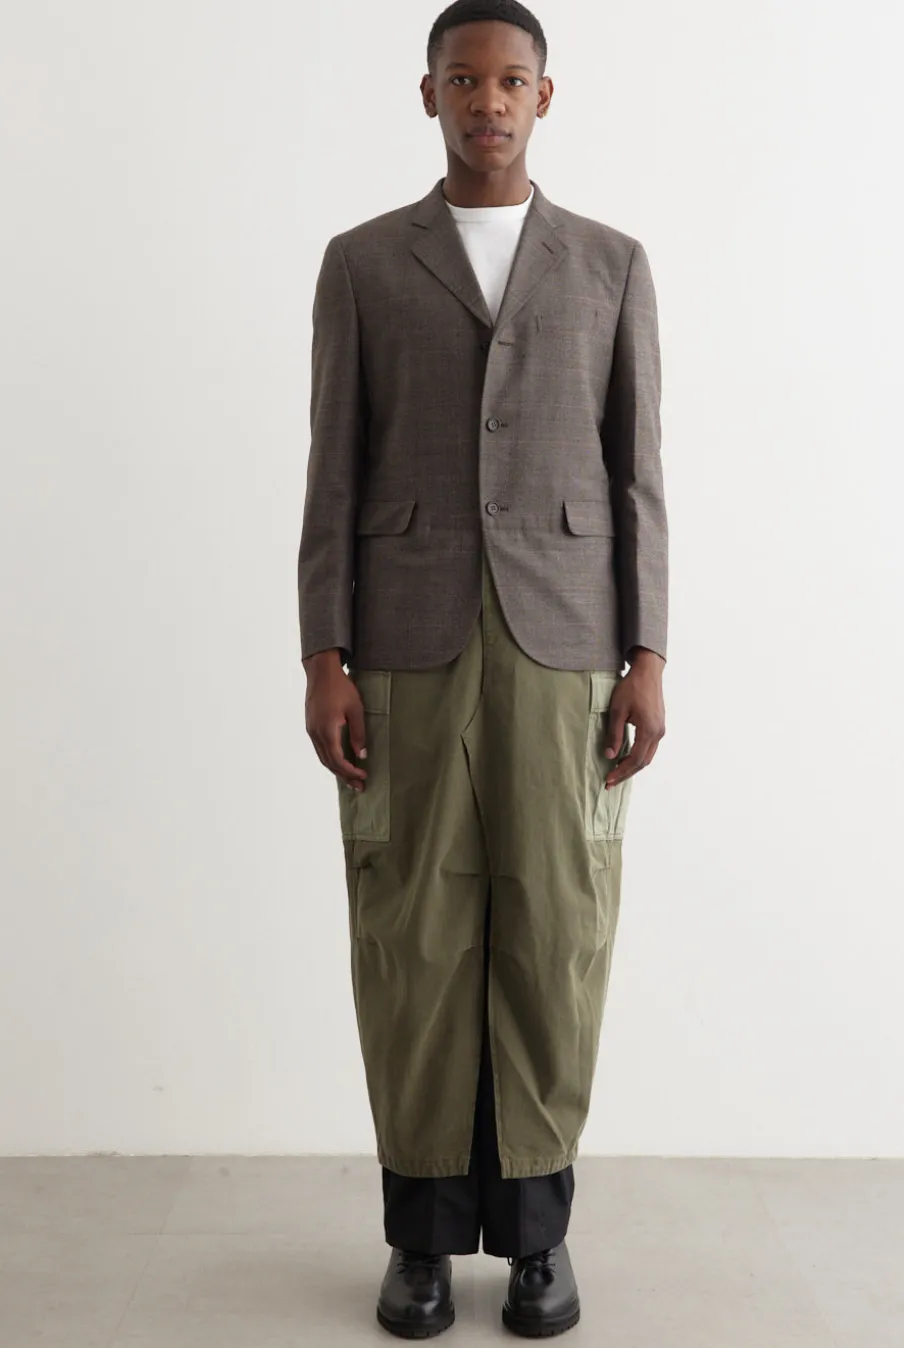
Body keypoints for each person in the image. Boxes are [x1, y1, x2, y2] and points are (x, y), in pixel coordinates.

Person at [298, 0, 667, 1336]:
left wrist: (648, 652)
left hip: (566, 644)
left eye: (511, 80)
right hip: (404, 645)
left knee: (555, 932)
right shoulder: (362, 263)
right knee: (413, 935)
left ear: (543, 98)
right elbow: (333, 470)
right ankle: (418, 1240)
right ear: (430, 95)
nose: (488, 101)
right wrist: (323, 653)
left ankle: (536, 1240)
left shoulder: (610, 263)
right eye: (464, 79)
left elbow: (638, 474)